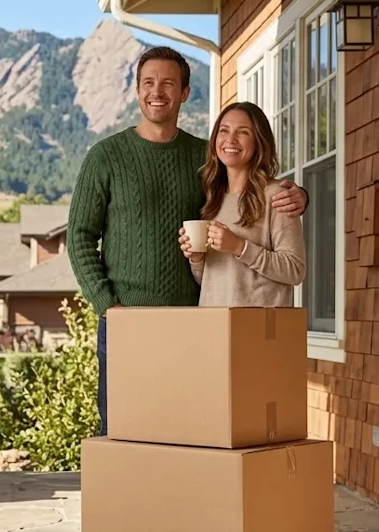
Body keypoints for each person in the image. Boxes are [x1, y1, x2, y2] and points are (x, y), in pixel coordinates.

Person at [67, 46, 308, 436]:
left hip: (193, 321)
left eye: (168, 83)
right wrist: (107, 305)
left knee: (185, 431)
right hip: (125, 318)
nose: (157, 91)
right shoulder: (105, 156)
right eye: (148, 82)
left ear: (185, 93)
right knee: (122, 429)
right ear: (136, 90)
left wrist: (298, 195)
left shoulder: (205, 158)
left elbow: (245, 190)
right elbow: (79, 238)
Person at [178, 101, 306, 306]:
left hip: (259, 330)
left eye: (243, 132)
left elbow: (295, 270)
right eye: (224, 130)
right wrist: (197, 258)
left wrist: (239, 246)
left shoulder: (277, 196)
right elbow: (211, 282)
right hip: (214, 328)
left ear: (259, 142)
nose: (230, 139)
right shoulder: (212, 200)